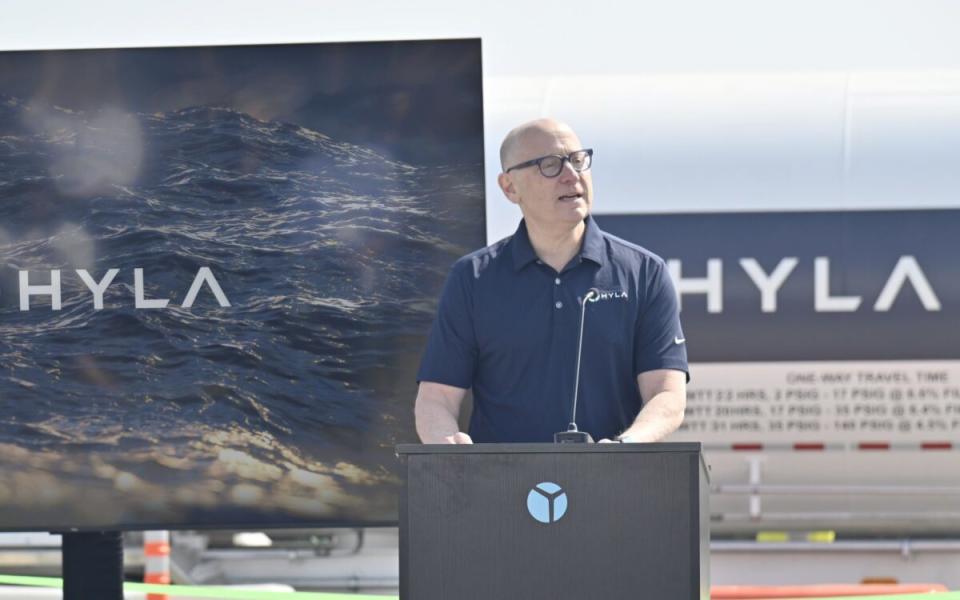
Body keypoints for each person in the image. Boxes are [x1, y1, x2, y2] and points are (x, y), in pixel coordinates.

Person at [415, 118, 687, 444]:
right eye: (549, 165)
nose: (571, 175)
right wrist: (447, 447)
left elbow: (666, 394)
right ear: (509, 187)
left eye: (577, 160)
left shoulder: (644, 273)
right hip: (499, 488)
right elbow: (437, 398)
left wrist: (625, 446)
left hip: (611, 485)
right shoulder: (472, 279)